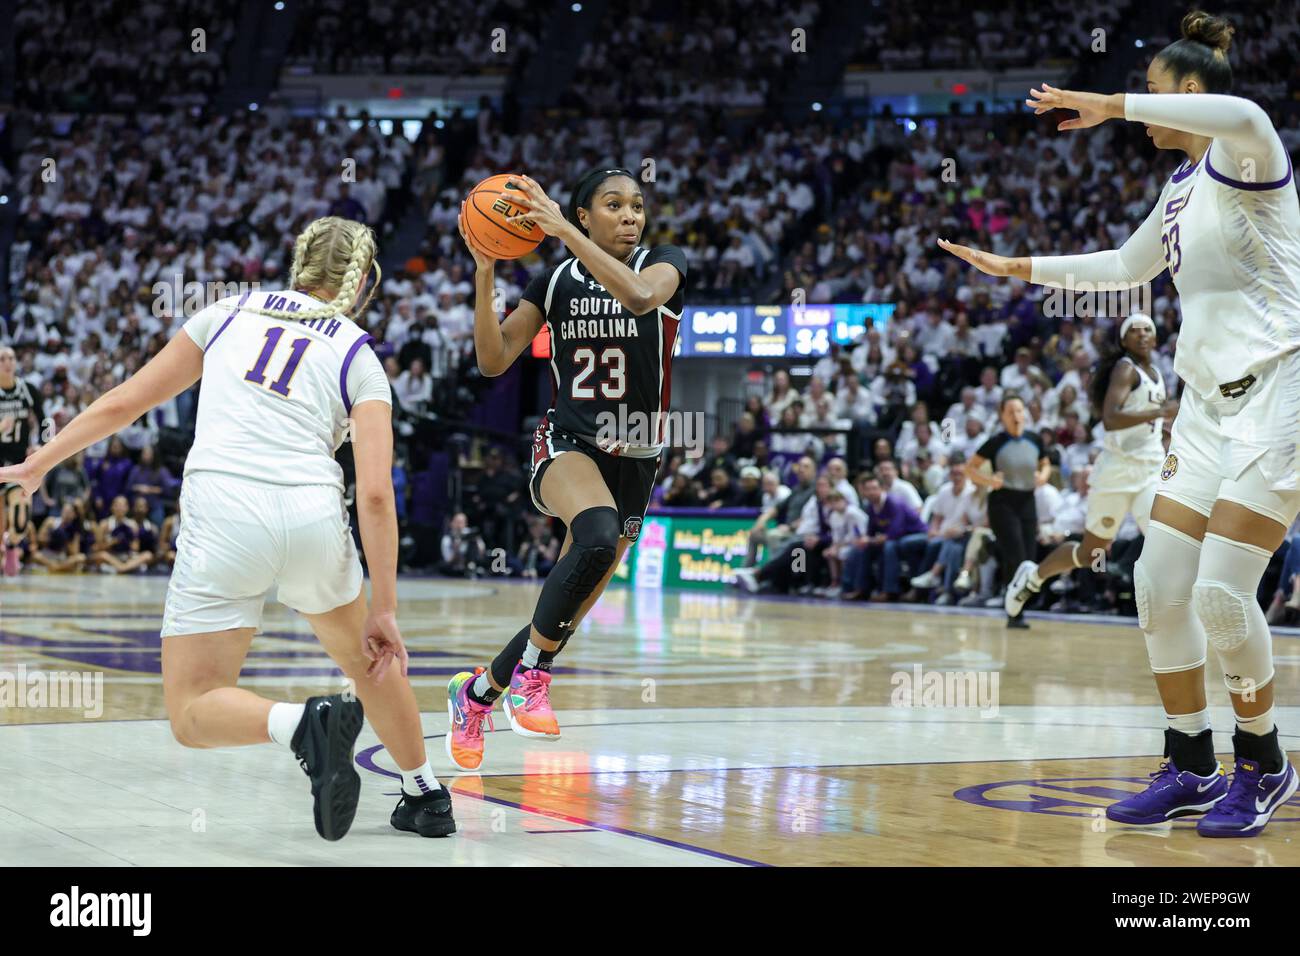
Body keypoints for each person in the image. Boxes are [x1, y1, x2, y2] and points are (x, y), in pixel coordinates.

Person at [939, 10, 1300, 835]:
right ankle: (1191, 762)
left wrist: (1111, 102)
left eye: (1157, 95)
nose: (1143, 111)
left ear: (1192, 95)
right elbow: (1122, 267)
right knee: (1159, 586)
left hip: (1282, 392)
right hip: (1205, 409)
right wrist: (1015, 266)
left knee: (1219, 594)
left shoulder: (1249, 153)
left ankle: (1265, 763)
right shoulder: (1179, 191)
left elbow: (1245, 114)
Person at [0, 216, 455, 840]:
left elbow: (125, 402)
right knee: (370, 660)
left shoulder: (225, 313)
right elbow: (375, 494)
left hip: (223, 516)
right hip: (313, 516)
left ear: (296, 264)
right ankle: (426, 793)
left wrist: (36, 465)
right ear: (363, 285)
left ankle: (301, 726)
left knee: (192, 711)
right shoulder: (358, 351)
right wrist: (388, 607)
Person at [449, 167, 687, 771]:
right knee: (597, 533)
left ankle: (476, 694)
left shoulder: (664, 262)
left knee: (565, 606)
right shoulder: (552, 281)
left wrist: (558, 230)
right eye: (613, 205)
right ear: (584, 215)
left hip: (637, 455)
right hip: (569, 443)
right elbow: (492, 359)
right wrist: (483, 277)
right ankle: (534, 676)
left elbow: (638, 298)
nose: (631, 215)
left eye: (637, 205)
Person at [1005, 313, 1176, 616]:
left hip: (1150, 470)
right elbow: (1110, 419)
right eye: (1134, 330)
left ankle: (1171, 612)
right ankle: (1033, 577)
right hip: (1116, 473)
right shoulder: (1126, 369)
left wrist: (1163, 425)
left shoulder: (1158, 373)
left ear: (1155, 337)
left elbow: (1147, 419)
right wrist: (1159, 414)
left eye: (1147, 329)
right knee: (1089, 553)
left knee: (1167, 539)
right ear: (1124, 340)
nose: (1142, 334)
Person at [962, 394, 1051, 628]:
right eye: (1011, 411)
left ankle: (1016, 603)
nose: (1016, 416)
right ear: (1002, 416)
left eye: (1020, 411)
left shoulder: (1034, 439)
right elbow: (969, 469)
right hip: (1002, 503)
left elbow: (1045, 463)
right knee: (1016, 556)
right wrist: (990, 481)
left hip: (1027, 501)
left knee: (1030, 558)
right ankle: (1014, 613)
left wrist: (1042, 477)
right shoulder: (996, 442)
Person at [0, 346, 42, 576]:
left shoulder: (28, 390)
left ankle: (12, 544)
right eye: (2, 359)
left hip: (18, 462)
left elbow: (46, 422)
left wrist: (42, 446)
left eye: (11, 358)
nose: (7, 362)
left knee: (20, 522)